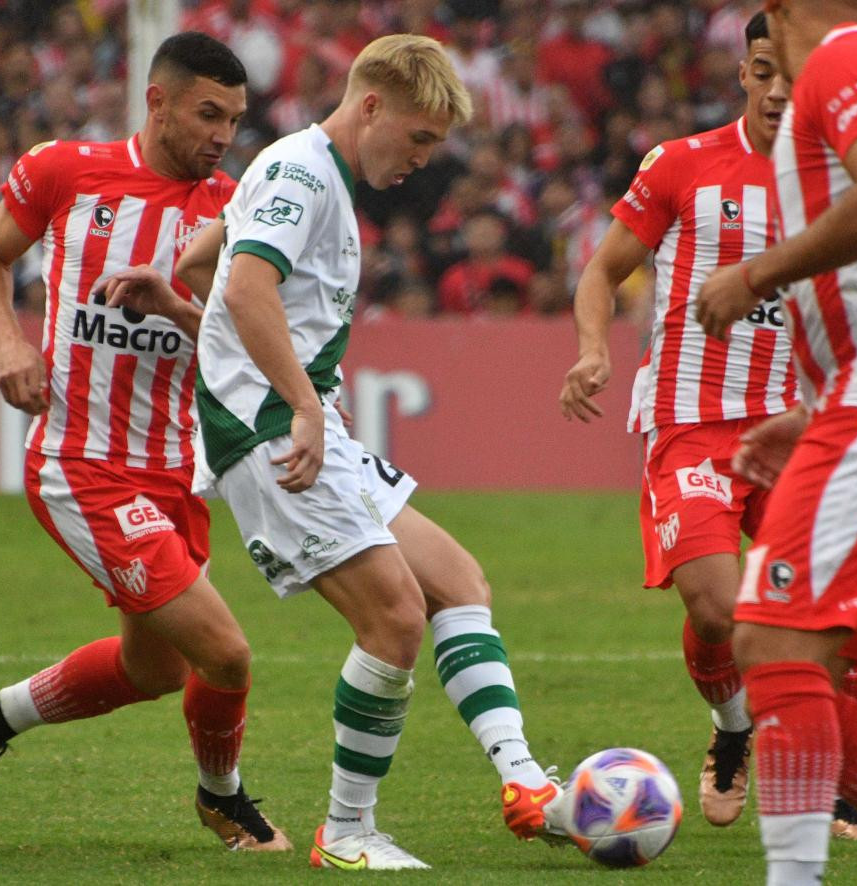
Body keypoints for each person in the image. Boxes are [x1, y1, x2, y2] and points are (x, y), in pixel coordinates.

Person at [117, 34, 565, 871]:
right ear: (369, 107)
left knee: (458, 581)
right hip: (271, 429)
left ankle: (526, 782)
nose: (423, 161)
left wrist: (190, 317)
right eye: (419, 138)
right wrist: (298, 405)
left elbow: (199, 262)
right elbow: (245, 286)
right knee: (393, 620)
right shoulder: (306, 173)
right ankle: (347, 833)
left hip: (296, 415)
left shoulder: (299, 169)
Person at [0, 32, 291, 853]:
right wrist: (9, 343)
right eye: (209, 114)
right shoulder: (65, 170)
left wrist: (173, 306)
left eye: (234, 120)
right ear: (158, 100)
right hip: (82, 464)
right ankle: (224, 802)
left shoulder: (235, 209)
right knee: (226, 655)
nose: (221, 135)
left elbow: (245, 343)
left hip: (176, 470)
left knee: (157, 669)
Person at [559, 11, 857, 840]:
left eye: (791, 73)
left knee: (833, 614)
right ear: (741, 74)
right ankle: (736, 730)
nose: (778, 89)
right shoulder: (681, 164)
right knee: (715, 608)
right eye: (761, 71)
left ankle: (841, 785)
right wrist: (592, 348)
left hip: (803, 427)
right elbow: (603, 269)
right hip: (691, 421)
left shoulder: (852, 183)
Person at [695, 1, 857, 881]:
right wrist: (815, 411)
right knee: (787, 657)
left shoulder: (843, 60)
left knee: (768, 638)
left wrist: (756, 272)